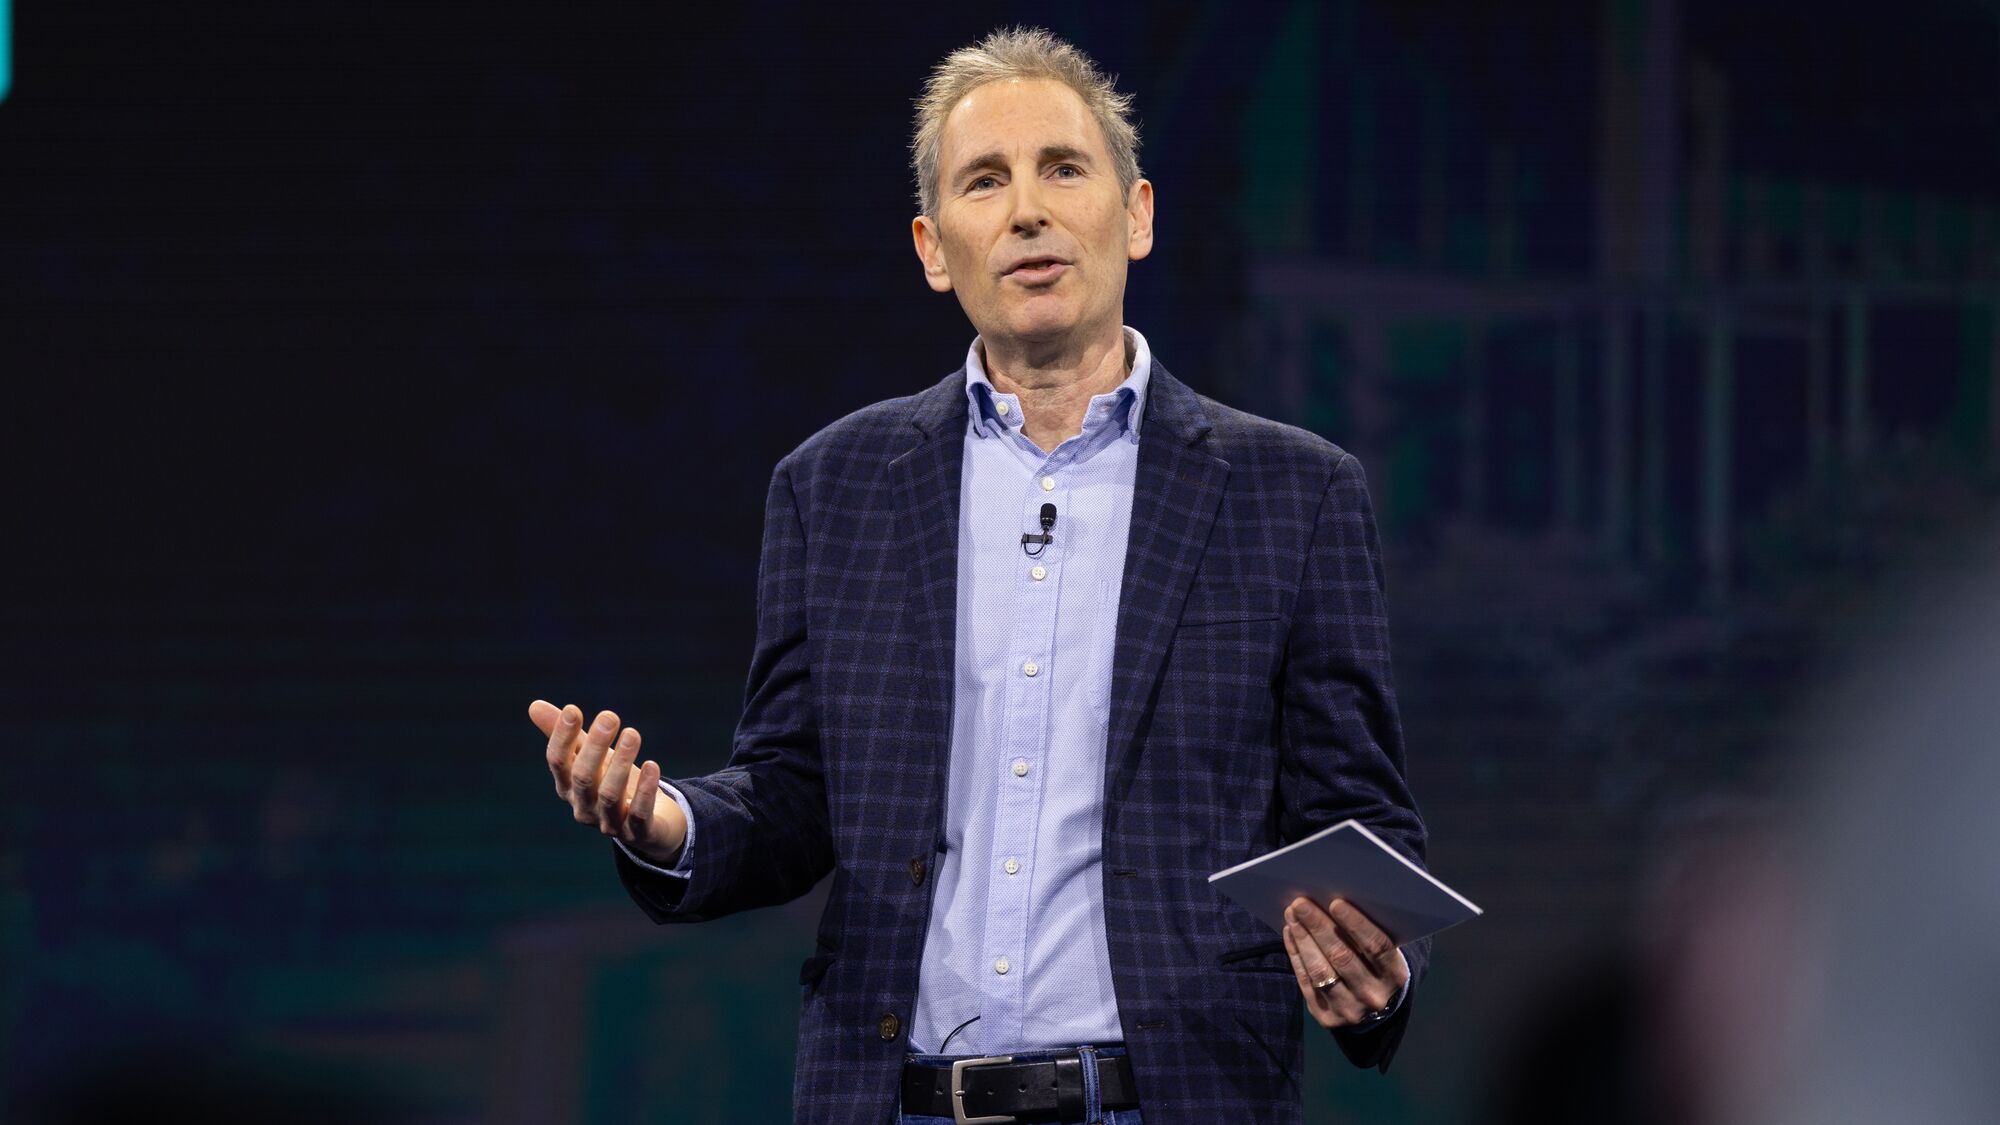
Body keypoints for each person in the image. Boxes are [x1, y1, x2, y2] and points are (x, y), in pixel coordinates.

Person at [527, 26, 1430, 1125]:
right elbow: (794, 795)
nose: (1027, 211)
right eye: (984, 181)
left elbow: (1357, 822)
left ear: (1137, 215)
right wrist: (663, 821)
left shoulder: (1292, 492)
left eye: (1063, 168)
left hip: (1177, 1097)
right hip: (895, 1100)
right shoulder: (834, 486)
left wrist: (1379, 963)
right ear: (932, 247)